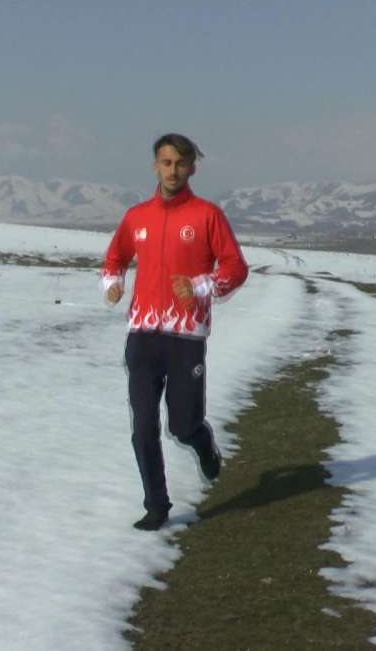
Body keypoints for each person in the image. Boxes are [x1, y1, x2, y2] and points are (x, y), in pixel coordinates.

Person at [101, 133, 248, 530]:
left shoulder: (207, 215)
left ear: (191, 168)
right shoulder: (137, 217)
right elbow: (115, 257)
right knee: (143, 426)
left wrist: (200, 286)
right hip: (143, 336)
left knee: (182, 425)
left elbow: (236, 268)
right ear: (155, 166)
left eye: (180, 163)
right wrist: (111, 284)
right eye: (166, 163)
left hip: (186, 339)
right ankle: (156, 505)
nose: (173, 170)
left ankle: (203, 443)